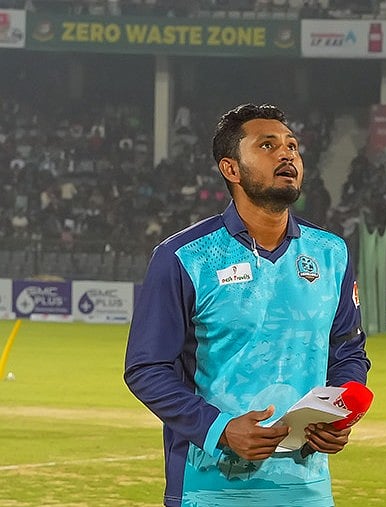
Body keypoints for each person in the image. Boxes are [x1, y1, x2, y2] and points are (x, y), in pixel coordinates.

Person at [124, 104, 371, 507]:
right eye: (268, 145)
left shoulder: (331, 253)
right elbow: (146, 368)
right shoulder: (185, 257)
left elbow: (347, 350)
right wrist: (220, 428)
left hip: (305, 488)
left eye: (292, 146)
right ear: (232, 169)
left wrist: (339, 409)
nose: (287, 154)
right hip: (209, 488)